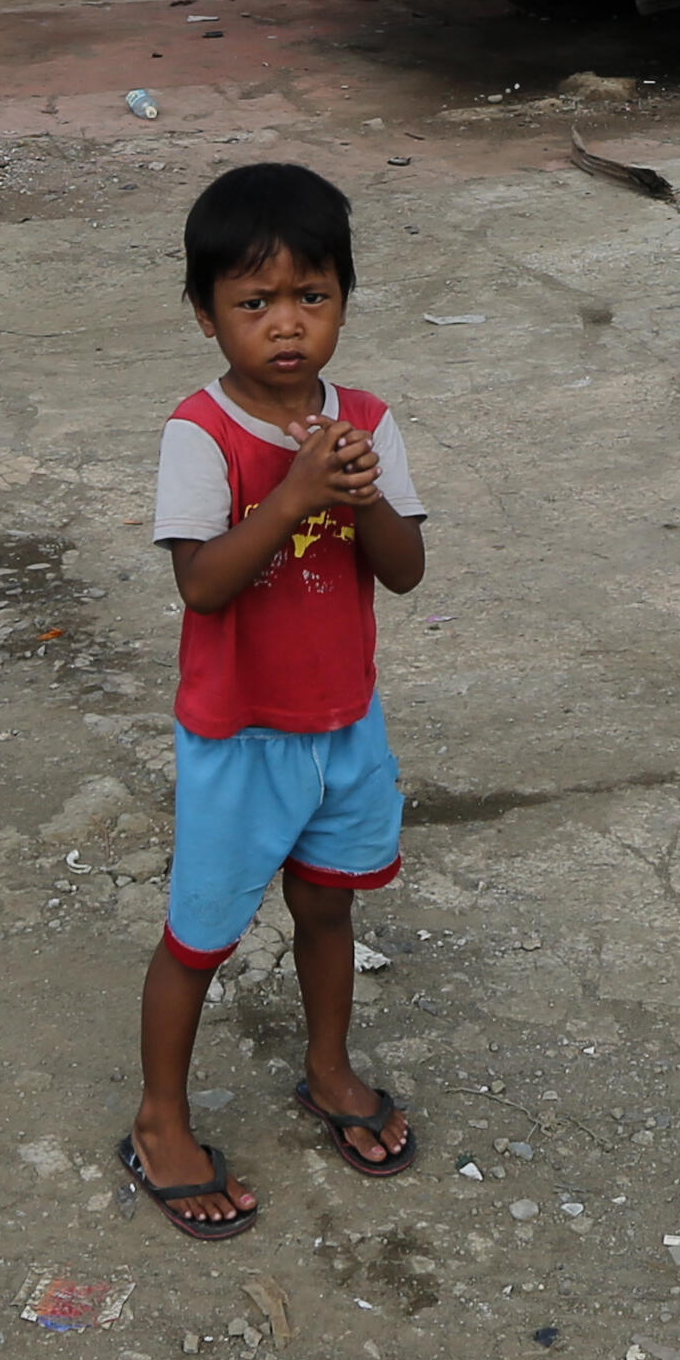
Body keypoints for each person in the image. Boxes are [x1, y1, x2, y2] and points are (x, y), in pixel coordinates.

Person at [122, 160, 431, 1236]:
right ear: (205, 314)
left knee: (329, 904)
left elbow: (404, 571)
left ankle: (329, 1069)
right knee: (200, 937)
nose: (287, 325)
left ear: (345, 298)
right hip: (241, 736)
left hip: (345, 723)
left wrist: (361, 493)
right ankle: (160, 1119)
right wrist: (296, 494)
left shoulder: (367, 422)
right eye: (255, 302)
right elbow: (202, 585)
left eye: (313, 296)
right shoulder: (200, 434)